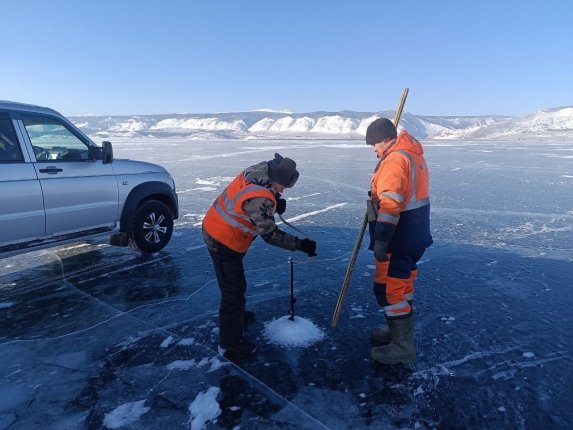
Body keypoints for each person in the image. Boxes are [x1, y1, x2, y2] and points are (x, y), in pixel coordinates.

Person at [202, 153, 317, 356]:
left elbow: (257, 196)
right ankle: (231, 341)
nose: (282, 191)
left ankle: (237, 318)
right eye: (283, 187)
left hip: (221, 229)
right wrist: (301, 245)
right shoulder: (260, 199)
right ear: (276, 179)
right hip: (222, 239)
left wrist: (275, 200)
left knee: (235, 286)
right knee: (233, 290)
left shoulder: (259, 171)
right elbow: (271, 235)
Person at [365, 118, 432, 365]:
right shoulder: (412, 155)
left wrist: (382, 240)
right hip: (415, 235)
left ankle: (402, 347)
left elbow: (391, 205)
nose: (374, 149)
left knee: (389, 290)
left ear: (384, 139)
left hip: (398, 238)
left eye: (374, 144)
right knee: (403, 285)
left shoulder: (394, 160)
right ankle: (396, 334)